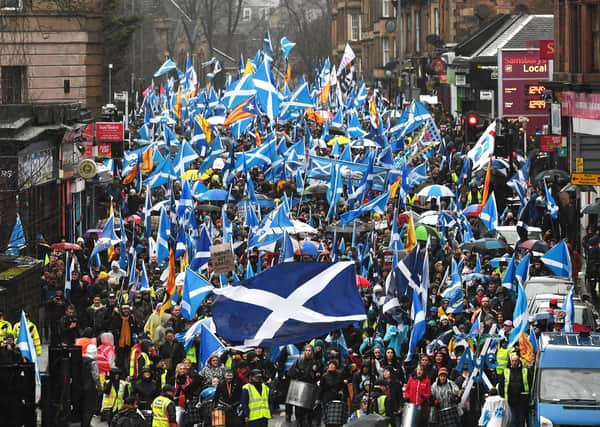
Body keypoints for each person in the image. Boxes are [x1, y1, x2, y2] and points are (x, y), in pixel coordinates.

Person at [500, 354, 530, 427]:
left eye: (516, 361)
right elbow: (501, 385)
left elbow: (530, 383)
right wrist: (503, 397)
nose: (514, 363)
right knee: (512, 421)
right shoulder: (506, 371)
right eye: (513, 361)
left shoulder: (525, 371)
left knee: (521, 421)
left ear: (519, 361)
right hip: (510, 401)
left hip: (522, 401)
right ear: (510, 362)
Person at [81, 344, 102, 427]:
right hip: (89, 388)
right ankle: (86, 423)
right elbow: (96, 377)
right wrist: (100, 388)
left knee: (83, 406)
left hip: (80, 387)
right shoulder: (93, 362)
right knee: (89, 407)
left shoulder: (81, 359)